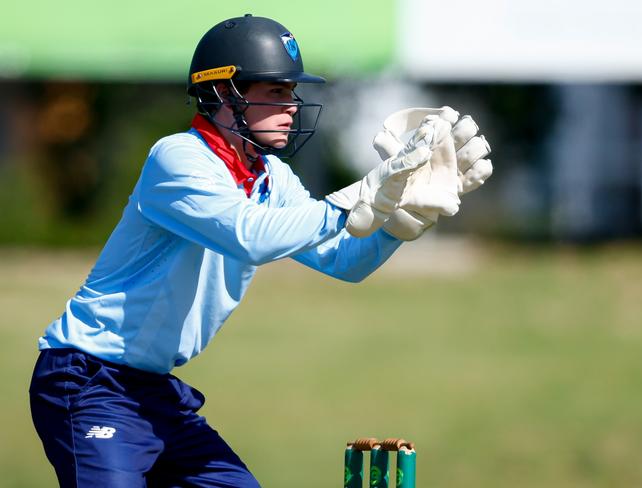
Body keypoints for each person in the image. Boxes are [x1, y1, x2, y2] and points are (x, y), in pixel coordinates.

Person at [29, 14, 492, 488]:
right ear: (223, 94)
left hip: (154, 392)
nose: (291, 106)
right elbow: (250, 235)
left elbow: (341, 259)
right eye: (274, 91)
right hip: (87, 380)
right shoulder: (178, 158)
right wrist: (366, 192)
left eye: (291, 92)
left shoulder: (271, 176)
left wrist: (404, 220)